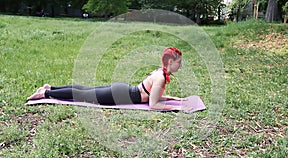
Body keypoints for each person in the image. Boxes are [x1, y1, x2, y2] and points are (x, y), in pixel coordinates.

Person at [27, 47, 191, 112]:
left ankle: (51, 87)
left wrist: (175, 99)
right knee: (83, 95)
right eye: (179, 62)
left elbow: (153, 96)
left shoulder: (159, 72)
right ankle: (47, 93)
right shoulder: (161, 77)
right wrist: (177, 108)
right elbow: (153, 104)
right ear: (170, 62)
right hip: (120, 94)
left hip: (122, 90)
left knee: (85, 90)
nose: (180, 66)